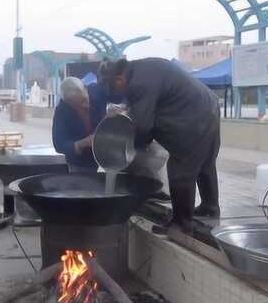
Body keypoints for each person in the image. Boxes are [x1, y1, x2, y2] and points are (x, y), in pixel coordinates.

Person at [99, 57, 221, 234]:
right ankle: (210, 208)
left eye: (111, 87)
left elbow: (143, 126)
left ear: (119, 79)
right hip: (208, 107)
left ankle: (181, 224)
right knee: (205, 163)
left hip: (193, 118)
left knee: (180, 169)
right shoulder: (142, 68)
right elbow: (147, 103)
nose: (113, 92)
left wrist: (134, 148)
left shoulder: (137, 83)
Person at [52, 77, 103, 172]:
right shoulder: (62, 111)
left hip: (102, 158)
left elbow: (117, 98)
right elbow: (59, 144)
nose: (85, 105)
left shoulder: (96, 95)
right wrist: (82, 143)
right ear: (68, 102)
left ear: (85, 89)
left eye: (85, 99)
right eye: (79, 104)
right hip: (78, 164)